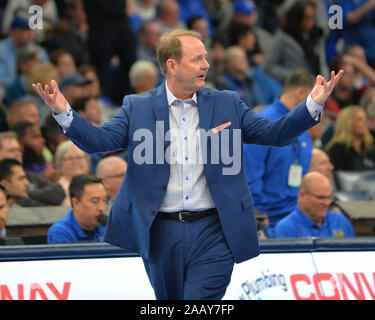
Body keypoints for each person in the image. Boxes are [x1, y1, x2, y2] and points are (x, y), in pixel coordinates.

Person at [32, 29, 343, 300]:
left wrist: (312, 104)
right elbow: (99, 143)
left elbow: (274, 134)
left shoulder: (227, 103)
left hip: (214, 230)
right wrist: (64, 113)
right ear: (171, 65)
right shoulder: (137, 107)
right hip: (159, 231)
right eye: (197, 59)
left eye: (205, 57)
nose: (206, 64)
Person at [243, 70, 315, 234]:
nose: (317, 106)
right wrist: (258, 214)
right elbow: (250, 174)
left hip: (296, 215)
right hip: (267, 216)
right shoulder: (262, 123)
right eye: (314, 99)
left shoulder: (303, 128)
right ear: (301, 93)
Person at [264, 0, 329, 83]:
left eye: (312, 17)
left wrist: (324, 81)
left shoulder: (316, 37)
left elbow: (322, 63)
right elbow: (269, 66)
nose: (309, 22)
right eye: (306, 18)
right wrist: (296, 77)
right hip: (294, 88)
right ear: (297, 18)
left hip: (316, 88)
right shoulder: (283, 37)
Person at [274, 172, 355, 238]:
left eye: (329, 197)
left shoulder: (341, 222)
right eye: (321, 197)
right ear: (302, 195)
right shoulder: (287, 228)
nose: (327, 203)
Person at [0, 131, 65, 206]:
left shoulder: (29, 175)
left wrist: (26, 192)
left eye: (19, 150)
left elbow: (58, 192)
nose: (18, 154)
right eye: (12, 150)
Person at [47, 174, 107, 244]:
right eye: (95, 201)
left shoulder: (107, 227)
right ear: (76, 203)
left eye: (104, 200)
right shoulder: (60, 232)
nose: (101, 208)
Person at [326, 105, 375, 170]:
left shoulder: (368, 148)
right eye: (360, 119)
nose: (365, 122)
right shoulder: (337, 150)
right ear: (348, 123)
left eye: (365, 119)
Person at [55, 140, 90, 206]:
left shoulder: (98, 185)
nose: (75, 162)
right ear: (60, 163)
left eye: (79, 157)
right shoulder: (56, 190)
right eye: (70, 158)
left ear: (87, 161)